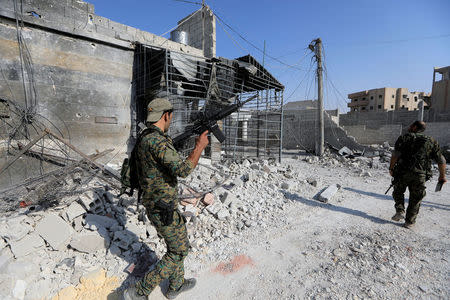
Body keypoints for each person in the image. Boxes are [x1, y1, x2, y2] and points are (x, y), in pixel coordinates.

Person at [122, 97, 209, 300]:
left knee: (178, 245)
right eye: (171, 115)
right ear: (166, 115)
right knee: (178, 252)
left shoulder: (147, 137)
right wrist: (199, 146)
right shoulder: (156, 140)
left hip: (161, 203)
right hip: (162, 207)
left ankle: (176, 285)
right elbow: (184, 169)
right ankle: (139, 291)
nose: (171, 119)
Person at [389, 120, 447, 229]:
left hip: (402, 172)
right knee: (416, 197)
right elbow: (441, 160)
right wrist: (442, 175)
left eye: (411, 126)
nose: (409, 127)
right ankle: (410, 222)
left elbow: (395, 155)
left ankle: (400, 210)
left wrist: (391, 168)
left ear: (415, 127)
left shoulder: (404, 138)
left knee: (398, 191)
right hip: (420, 174)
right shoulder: (431, 141)